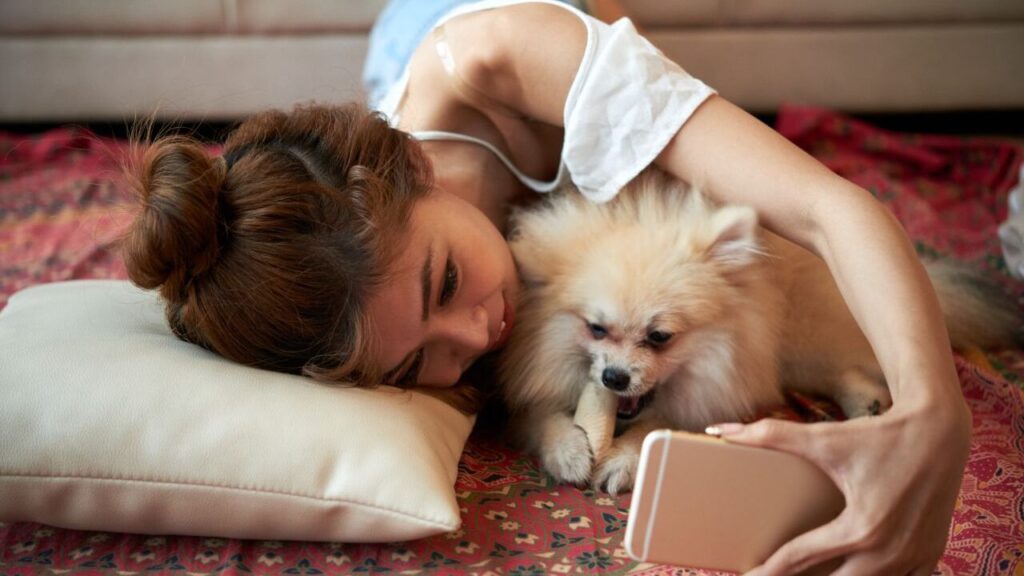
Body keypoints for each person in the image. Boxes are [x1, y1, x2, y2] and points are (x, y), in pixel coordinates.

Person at [122, 0, 972, 573]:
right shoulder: (356, 285)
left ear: (417, 167)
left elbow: (828, 207)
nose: (476, 335)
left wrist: (936, 416)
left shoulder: (514, 61)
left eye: (446, 280)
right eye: (418, 360)